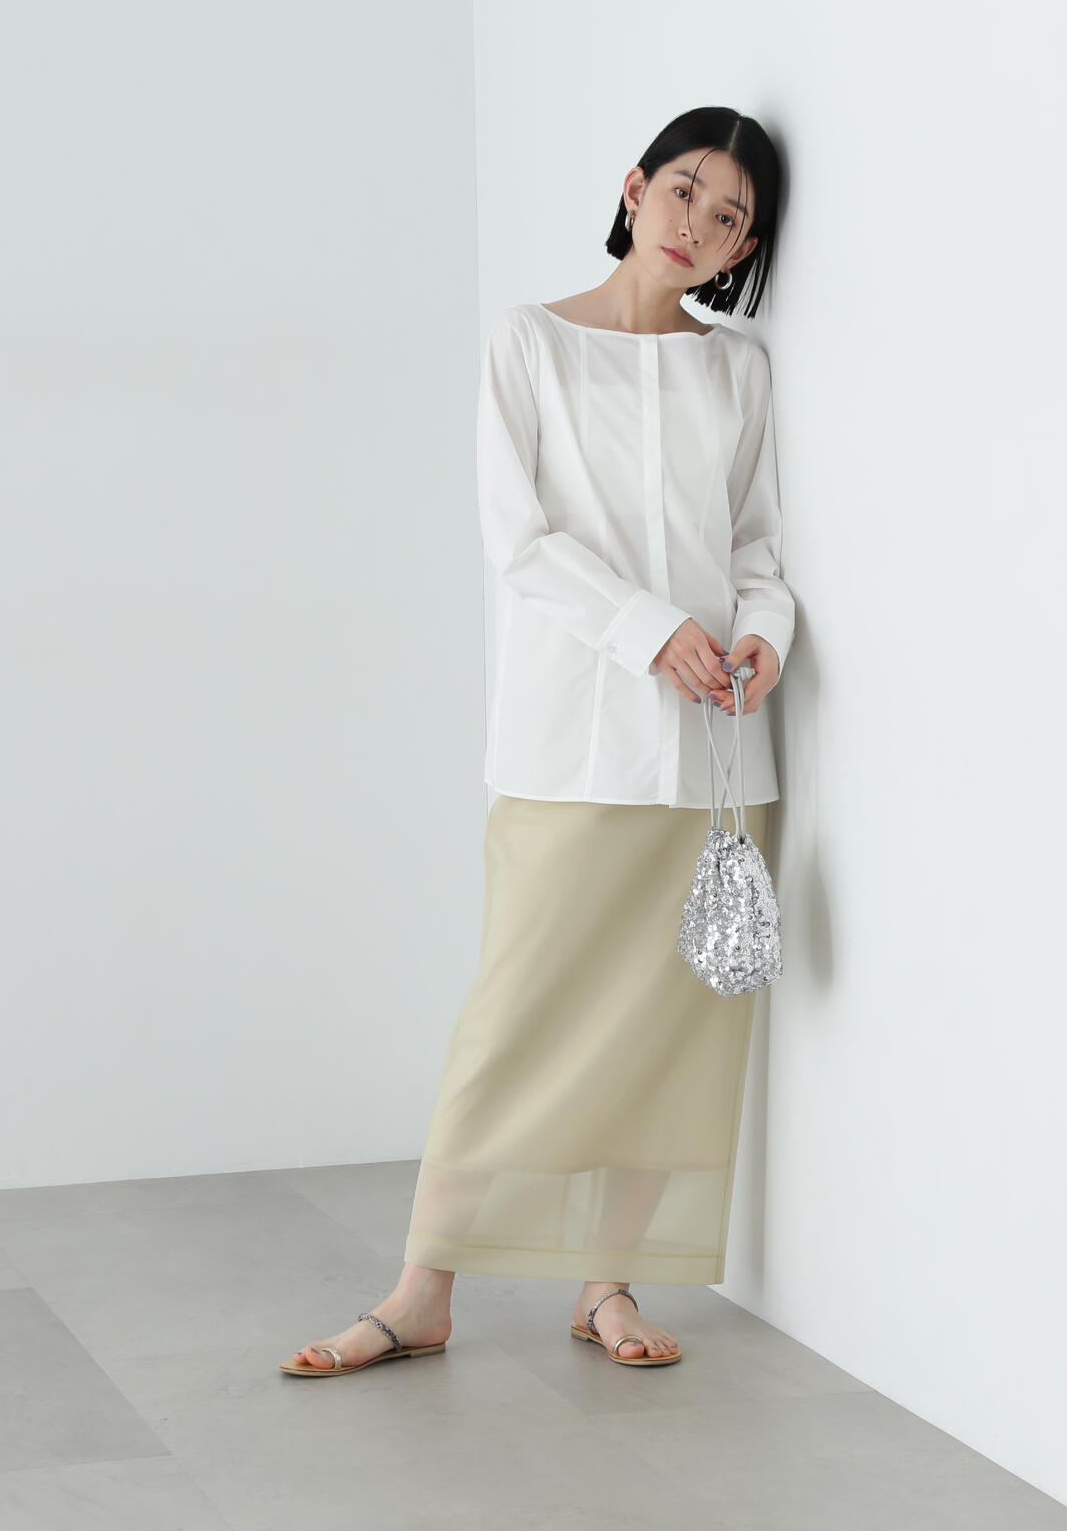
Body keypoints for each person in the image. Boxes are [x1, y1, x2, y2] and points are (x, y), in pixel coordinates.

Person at [283, 106, 794, 1377]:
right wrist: (648, 631)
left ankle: (607, 1285)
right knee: (513, 1014)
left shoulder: (738, 370)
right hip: (571, 737)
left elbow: (753, 544)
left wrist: (763, 634)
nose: (697, 225)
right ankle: (421, 1291)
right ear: (631, 187)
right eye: (683, 191)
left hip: (713, 750)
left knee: (667, 1026)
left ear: (743, 249)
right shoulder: (530, 342)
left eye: (728, 217)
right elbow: (516, 538)